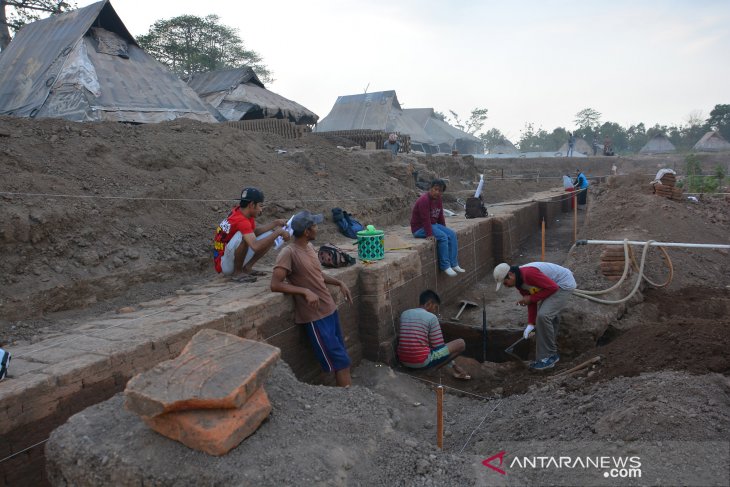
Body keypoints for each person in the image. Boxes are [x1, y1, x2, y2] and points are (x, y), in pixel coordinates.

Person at [270, 211, 354, 387]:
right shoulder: (289, 253)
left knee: (342, 358)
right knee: (341, 362)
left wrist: (339, 282)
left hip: (330, 310)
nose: (317, 228)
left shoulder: (309, 248)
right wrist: (304, 291)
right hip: (316, 317)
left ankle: (347, 397)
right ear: (307, 231)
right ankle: (349, 401)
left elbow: (317, 275)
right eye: (315, 226)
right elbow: (275, 284)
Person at [493, 262, 576, 370]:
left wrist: (531, 299)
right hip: (553, 286)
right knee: (543, 318)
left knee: (543, 316)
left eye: (505, 282)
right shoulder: (519, 283)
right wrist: (530, 324)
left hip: (563, 284)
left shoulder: (528, 274)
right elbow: (530, 301)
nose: (506, 285)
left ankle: (550, 356)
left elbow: (552, 287)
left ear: (510, 274)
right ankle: (544, 357)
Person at [213, 187, 290, 279]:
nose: (261, 209)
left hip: (229, 255)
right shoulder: (241, 221)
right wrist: (278, 232)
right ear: (252, 205)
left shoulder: (242, 212)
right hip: (224, 265)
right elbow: (255, 246)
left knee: (269, 235)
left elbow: (253, 232)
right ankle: (237, 272)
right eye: (260, 205)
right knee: (244, 236)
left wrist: (275, 223)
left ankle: (247, 268)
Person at [397, 290, 470, 379]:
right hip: (421, 362)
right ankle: (434, 369)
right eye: (435, 307)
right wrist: (454, 365)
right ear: (429, 304)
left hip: (403, 360)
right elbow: (439, 347)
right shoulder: (431, 317)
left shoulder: (405, 313)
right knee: (461, 343)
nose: (434, 311)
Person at [410, 179, 465, 277]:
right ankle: (445, 266)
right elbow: (425, 219)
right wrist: (429, 234)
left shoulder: (438, 199)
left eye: (440, 191)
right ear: (430, 188)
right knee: (443, 237)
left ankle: (454, 263)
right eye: (435, 189)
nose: (437, 192)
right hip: (419, 228)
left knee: (451, 234)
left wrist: (444, 228)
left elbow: (440, 216)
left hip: (433, 225)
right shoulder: (424, 200)